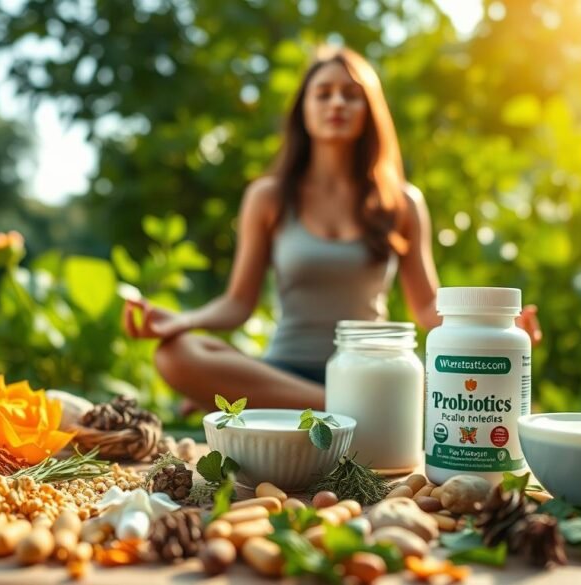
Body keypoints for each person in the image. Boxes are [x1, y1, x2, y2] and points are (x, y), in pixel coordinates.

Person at [123, 45, 540, 409]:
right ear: (303, 110)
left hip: (370, 373)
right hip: (284, 373)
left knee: (427, 386)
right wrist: (182, 321)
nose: (337, 103)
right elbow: (237, 303)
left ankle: (314, 410)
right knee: (175, 354)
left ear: (369, 111)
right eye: (323, 93)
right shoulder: (268, 197)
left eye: (351, 95)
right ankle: (343, 410)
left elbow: (429, 308)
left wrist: (499, 330)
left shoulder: (402, 202)